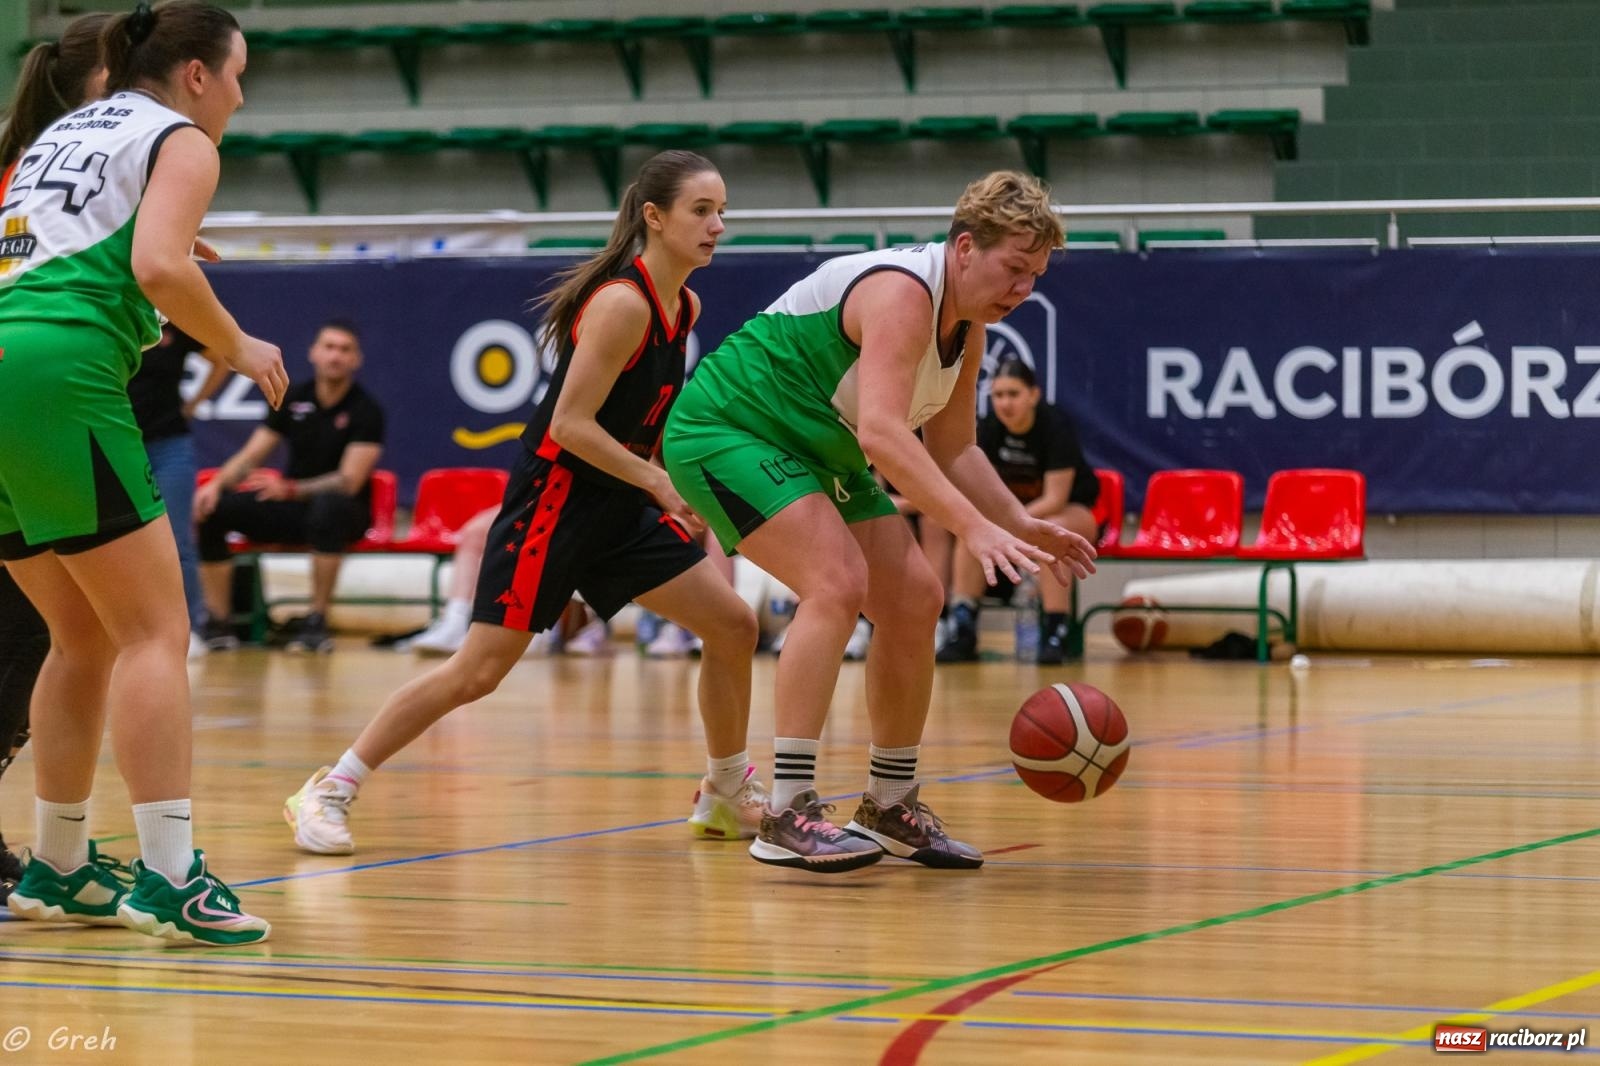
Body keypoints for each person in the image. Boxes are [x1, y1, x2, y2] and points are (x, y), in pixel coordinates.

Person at [284, 150, 766, 855]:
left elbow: (644, 417)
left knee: (733, 625)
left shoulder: (683, 304)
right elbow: (570, 426)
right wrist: (656, 483)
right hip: (556, 503)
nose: (718, 224)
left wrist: (672, 482)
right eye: (702, 210)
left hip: (617, 506)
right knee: (477, 671)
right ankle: (328, 789)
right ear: (655, 218)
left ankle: (724, 791)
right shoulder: (622, 302)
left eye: (723, 211)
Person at [662, 171, 1097, 873]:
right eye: (1013, 269)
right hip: (729, 428)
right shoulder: (902, 292)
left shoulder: (969, 331)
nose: (1022, 289)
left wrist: (1018, 521)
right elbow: (885, 437)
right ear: (963, 249)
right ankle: (787, 810)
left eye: (1035, 275)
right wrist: (972, 530)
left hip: (813, 444)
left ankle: (891, 804)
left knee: (916, 599)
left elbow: (955, 450)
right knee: (835, 584)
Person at [0, 0, 285, 943]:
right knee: (159, 633)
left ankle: (59, 864)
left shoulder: (60, 131)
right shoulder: (183, 138)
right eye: (238, 74)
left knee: (78, 635)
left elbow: (82, 249)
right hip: (57, 371)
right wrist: (240, 344)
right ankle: (170, 876)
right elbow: (161, 267)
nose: (241, 96)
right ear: (197, 73)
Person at [0, 10, 115, 906]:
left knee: (49, 633)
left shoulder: (65, 185)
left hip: (32, 414)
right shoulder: (27, 180)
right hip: (23, 412)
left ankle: (49, 855)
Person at [193, 319, 384, 654]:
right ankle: (219, 623)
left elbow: (348, 480)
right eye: (329, 347)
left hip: (345, 511)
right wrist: (216, 485)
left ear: (356, 360)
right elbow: (251, 455)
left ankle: (316, 622)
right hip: (293, 506)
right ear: (313, 353)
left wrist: (291, 489)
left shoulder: (366, 411)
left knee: (328, 508)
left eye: (344, 349)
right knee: (214, 511)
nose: (335, 356)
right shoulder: (295, 397)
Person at [935, 358, 1100, 665]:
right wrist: (995, 525)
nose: (1005, 403)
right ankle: (964, 626)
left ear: (1033, 395)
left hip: (1072, 511)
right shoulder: (987, 429)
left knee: (1051, 528)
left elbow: (1054, 498)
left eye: (1013, 394)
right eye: (998, 395)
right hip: (1013, 517)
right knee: (973, 532)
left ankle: (1054, 630)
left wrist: (1011, 524)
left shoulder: (1055, 425)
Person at [133, 323, 231, 657]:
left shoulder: (169, 322)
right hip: (120, 442)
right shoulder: (111, 313)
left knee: (177, 540)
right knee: (115, 539)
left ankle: (191, 628)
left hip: (170, 443)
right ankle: (128, 628)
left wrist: (191, 406)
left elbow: (220, 358)